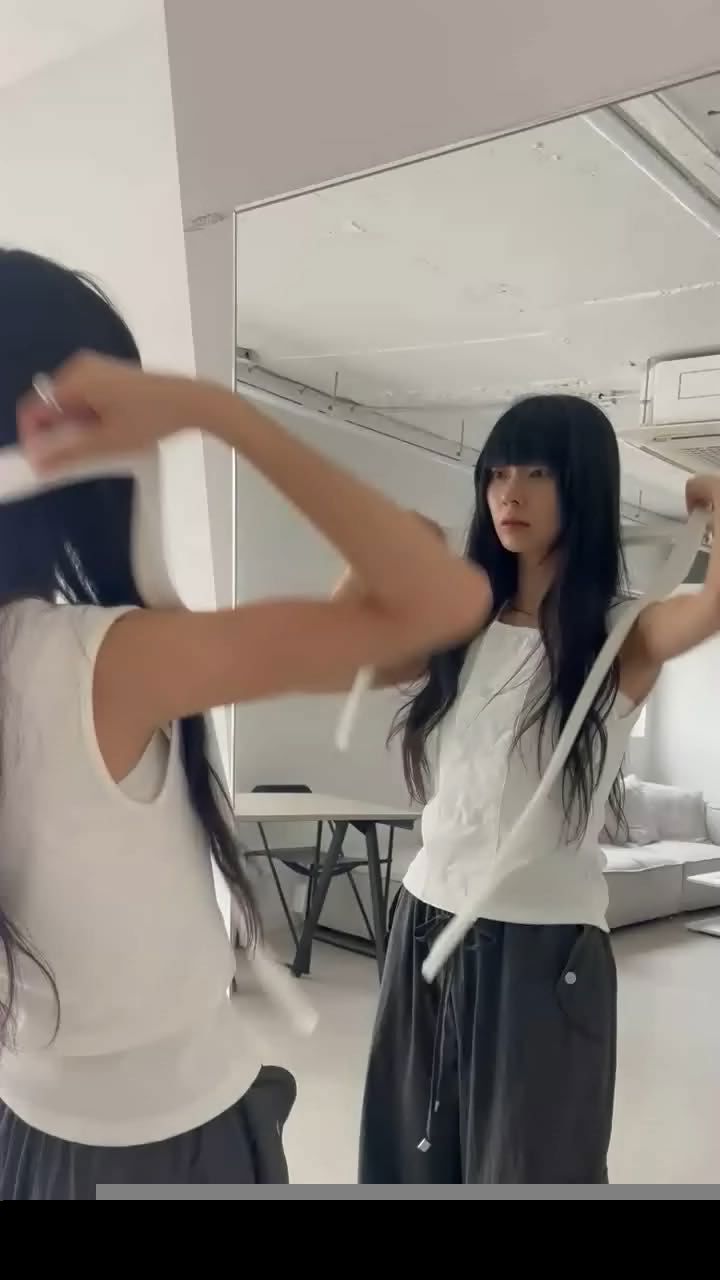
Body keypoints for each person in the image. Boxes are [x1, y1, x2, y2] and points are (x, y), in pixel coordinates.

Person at [0, 249, 491, 1200]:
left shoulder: (95, 657)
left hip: (32, 1126)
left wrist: (355, 614)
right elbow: (445, 601)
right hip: (155, 1148)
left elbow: (383, 649)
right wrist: (213, 411)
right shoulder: (104, 661)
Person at [353, 393, 720, 1184]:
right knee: (406, 1161)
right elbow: (367, 660)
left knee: (532, 1170)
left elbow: (713, 607)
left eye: (538, 473)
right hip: (425, 919)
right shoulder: (465, 617)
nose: (509, 493)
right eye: (497, 473)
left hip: (541, 946)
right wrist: (374, 561)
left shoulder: (624, 632)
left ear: (582, 485)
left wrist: (717, 503)